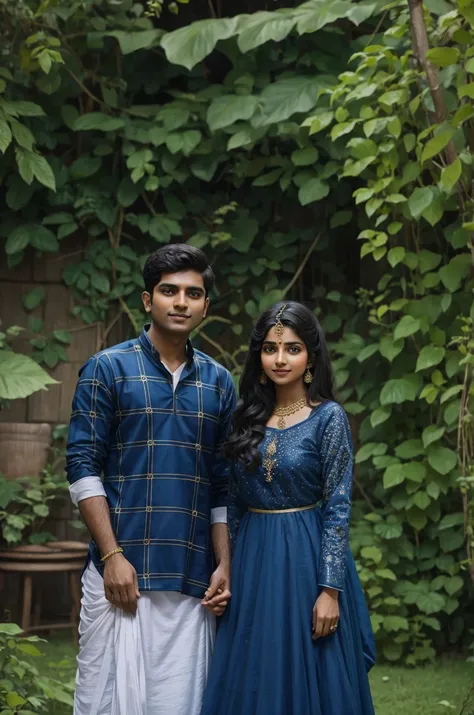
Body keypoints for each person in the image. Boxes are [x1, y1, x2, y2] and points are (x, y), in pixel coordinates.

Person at [66, 244, 236, 715]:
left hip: (192, 580)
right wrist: (112, 555)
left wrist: (224, 564)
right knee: (104, 704)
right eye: (169, 291)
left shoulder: (219, 383)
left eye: (193, 293)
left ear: (205, 306)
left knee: (181, 704)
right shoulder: (107, 368)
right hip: (122, 578)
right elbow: (82, 467)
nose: (180, 302)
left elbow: (222, 485)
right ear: (147, 300)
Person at [201, 301, 376, 715]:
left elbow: (337, 507)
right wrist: (226, 567)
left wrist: (329, 590)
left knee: (313, 668)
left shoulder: (328, 418)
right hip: (254, 562)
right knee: (255, 668)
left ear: (311, 357)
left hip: (306, 558)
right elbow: (234, 503)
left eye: (293, 349)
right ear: (258, 357)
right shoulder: (246, 418)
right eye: (270, 349)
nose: (280, 359)